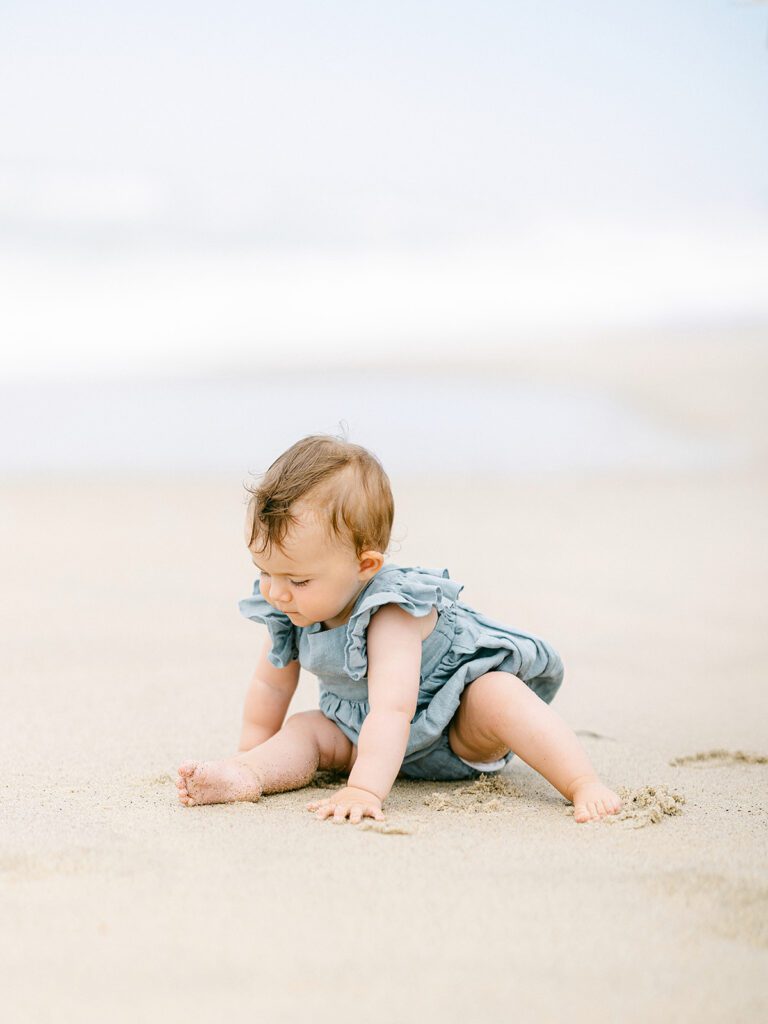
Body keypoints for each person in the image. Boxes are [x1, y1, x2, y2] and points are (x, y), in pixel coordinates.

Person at [176, 433, 622, 825]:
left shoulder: (391, 612)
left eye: (298, 580)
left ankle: (581, 782)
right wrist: (250, 749)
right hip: (362, 737)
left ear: (364, 565)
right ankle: (246, 775)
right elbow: (269, 688)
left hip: (452, 727)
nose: (276, 592)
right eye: (265, 571)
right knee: (306, 728)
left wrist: (364, 789)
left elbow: (393, 708)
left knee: (497, 694)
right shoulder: (289, 605)